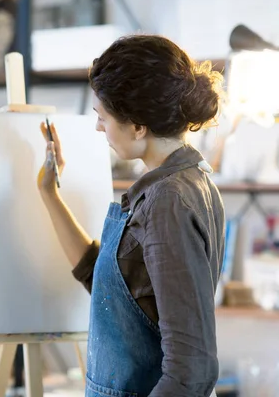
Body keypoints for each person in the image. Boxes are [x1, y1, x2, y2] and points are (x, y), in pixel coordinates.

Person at [38, 35, 225, 397]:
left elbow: (192, 369)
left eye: (103, 117)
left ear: (138, 125)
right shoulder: (184, 181)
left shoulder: (168, 200)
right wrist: (50, 194)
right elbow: (113, 288)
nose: (98, 128)